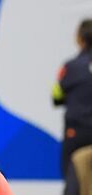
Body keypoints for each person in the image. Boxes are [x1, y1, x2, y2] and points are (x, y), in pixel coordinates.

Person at [53, 19, 92, 176]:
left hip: (76, 132)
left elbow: (56, 97)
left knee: (73, 182)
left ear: (79, 39)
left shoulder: (70, 67)